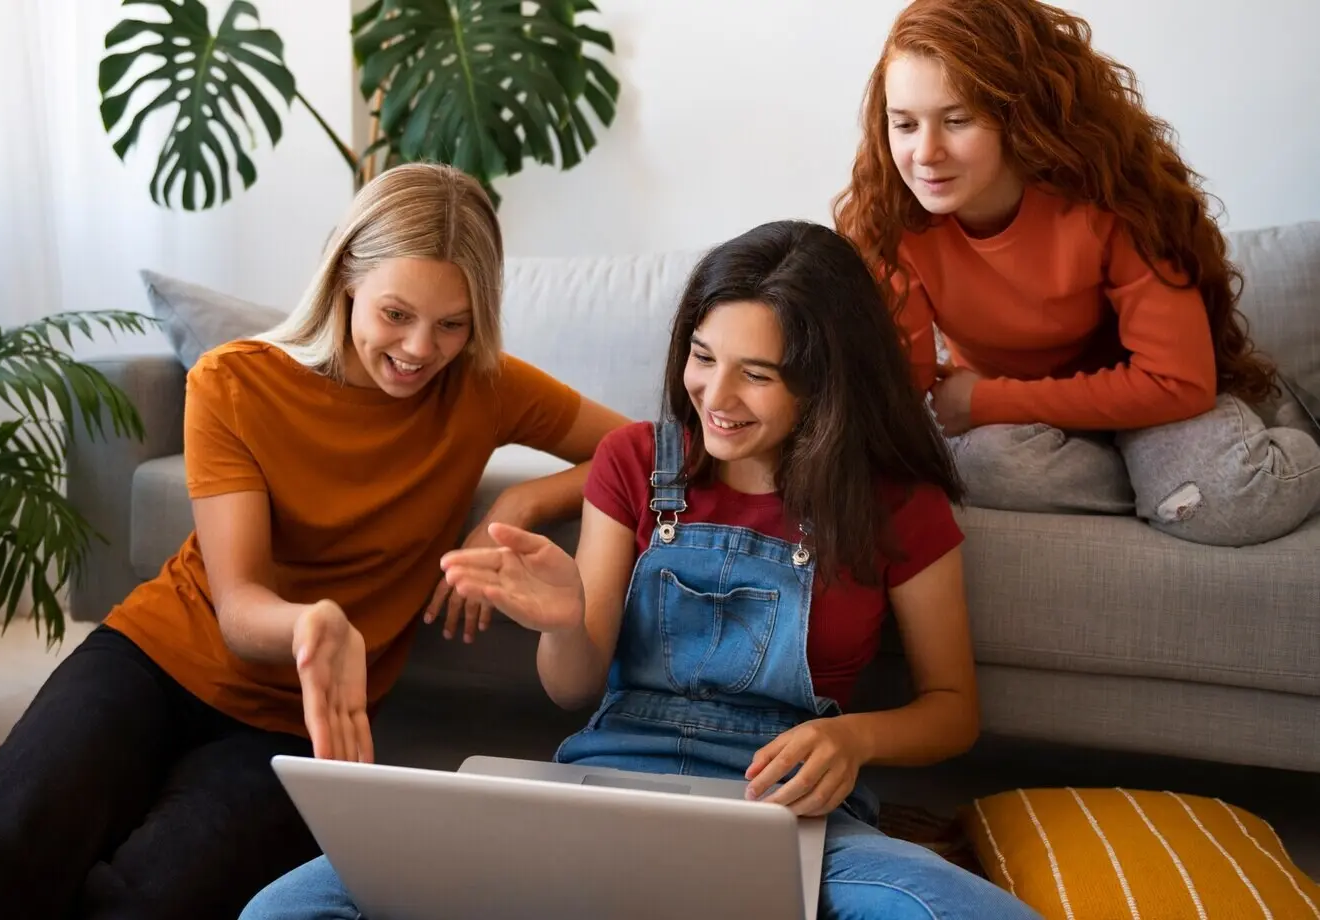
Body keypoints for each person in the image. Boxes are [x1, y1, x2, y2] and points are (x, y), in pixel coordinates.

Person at [240, 220, 1041, 919]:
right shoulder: (633, 462)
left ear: (825, 383)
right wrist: (562, 621)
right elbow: (574, 688)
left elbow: (952, 709)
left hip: (791, 815)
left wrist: (853, 738)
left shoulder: (895, 500)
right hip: (608, 787)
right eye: (701, 357)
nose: (713, 396)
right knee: (290, 904)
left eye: (756, 375)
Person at [0, 163, 628, 920]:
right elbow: (238, 609)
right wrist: (311, 621)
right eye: (396, 313)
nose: (420, 349)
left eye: (452, 324)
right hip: (155, 661)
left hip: (294, 726)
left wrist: (526, 500)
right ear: (346, 281)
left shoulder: (485, 388)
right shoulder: (234, 384)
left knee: (151, 901)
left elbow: (647, 448)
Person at [834, 0, 1320, 546]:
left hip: (1147, 403)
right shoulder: (890, 220)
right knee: (978, 466)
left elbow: (1176, 381)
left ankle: (1296, 425)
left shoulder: (1115, 196)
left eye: (956, 120)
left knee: (1235, 502)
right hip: (1026, 430)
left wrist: (982, 401)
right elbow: (904, 394)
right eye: (903, 124)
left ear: (1020, 115)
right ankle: (1167, 491)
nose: (924, 153)